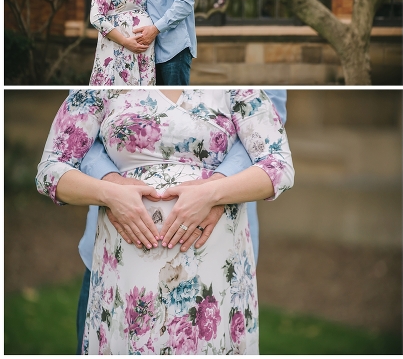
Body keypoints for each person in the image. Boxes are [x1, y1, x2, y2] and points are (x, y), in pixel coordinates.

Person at [36, 89, 294, 354]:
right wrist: (110, 192)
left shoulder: (240, 90)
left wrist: (212, 193)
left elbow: (278, 166)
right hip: (126, 274)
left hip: (213, 277)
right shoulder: (105, 83)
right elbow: (51, 169)